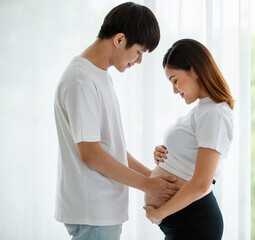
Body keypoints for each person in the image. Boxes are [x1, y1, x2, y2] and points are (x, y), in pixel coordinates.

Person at [54, 3, 179, 240]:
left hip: (101, 212)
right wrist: (147, 185)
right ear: (120, 40)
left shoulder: (98, 75)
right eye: (139, 52)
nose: (139, 61)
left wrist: (151, 176)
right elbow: (91, 154)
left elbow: (110, 147)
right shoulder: (81, 80)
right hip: (93, 212)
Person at [143, 39, 234, 240]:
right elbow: (191, 156)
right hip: (186, 220)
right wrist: (165, 154)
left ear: (195, 70)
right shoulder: (203, 110)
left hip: (195, 222)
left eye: (175, 80)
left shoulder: (215, 113)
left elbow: (202, 183)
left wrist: (160, 213)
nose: (174, 90)